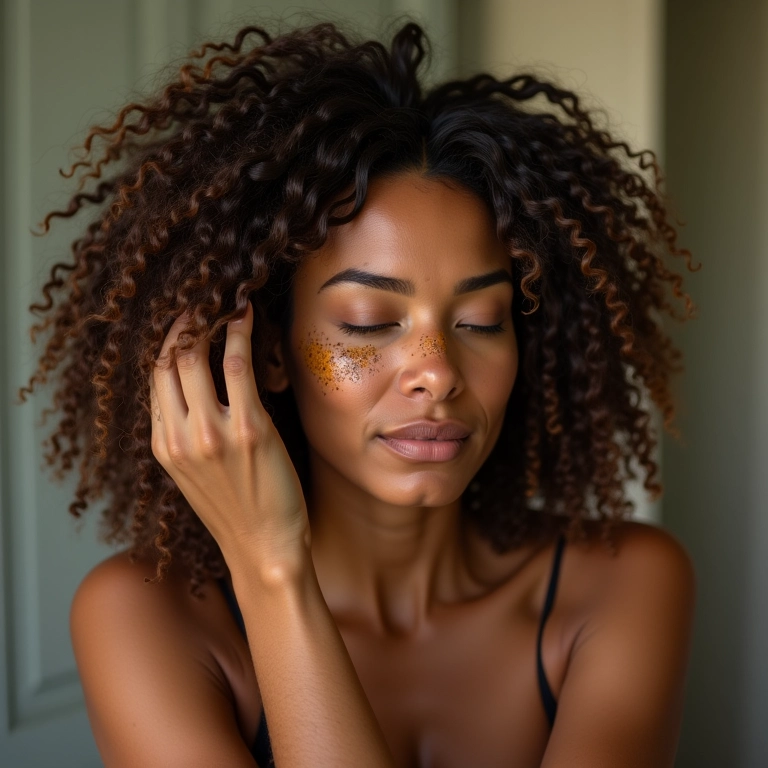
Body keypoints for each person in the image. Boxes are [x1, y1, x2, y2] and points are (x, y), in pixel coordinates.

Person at [18, 19, 697, 768]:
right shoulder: (144, 615)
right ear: (270, 355)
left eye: (481, 320)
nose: (437, 372)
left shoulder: (621, 585)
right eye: (369, 322)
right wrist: (272, 571)